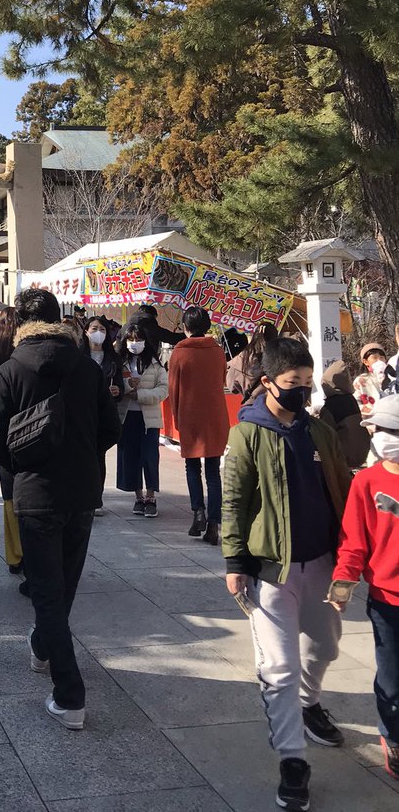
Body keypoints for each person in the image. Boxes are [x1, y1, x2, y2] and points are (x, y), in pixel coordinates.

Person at [222, 336, 352, 812]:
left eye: (307, 383)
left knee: (324, 646)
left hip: (322, 561)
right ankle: (292, 763)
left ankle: (308, 701)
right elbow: (234, 502)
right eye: (293, 384)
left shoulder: (318, 432)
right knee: (279, 667)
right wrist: (234, 561)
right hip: (270, 570)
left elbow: (342, 484)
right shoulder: (247, 434)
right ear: (267, 384)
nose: (302, 392)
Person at [0, 289, 120, 730]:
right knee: (64, 585)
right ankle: (44, 645)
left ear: (20, 323)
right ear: (59, 320)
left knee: (46, 590)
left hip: (35, 493)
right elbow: (110, 428)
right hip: (82, 492)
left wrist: (21, 465)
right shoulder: (87, 367)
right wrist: (81, 455)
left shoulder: (8, 370)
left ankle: (70, 694)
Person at [330, 394, 399, 779]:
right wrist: (343, 582)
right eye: (381, 430)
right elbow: (354, 539)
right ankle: (393, 737)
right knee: (392, 677)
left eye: (392, 430)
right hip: (387, 600)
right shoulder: (367, 482)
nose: (384, 437)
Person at [167, 307, 229, 545]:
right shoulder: (218, 351)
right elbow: (222, 379)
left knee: (192, 467)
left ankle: (198, 513)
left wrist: (177, 416)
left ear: (186, 327)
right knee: (213, 473)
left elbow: (174, 389)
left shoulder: (179, 353)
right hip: (215, 415)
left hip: (190, 414)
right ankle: (214, 524)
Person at [115, 322, 168, 518]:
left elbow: (164, 389)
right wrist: (128, 386)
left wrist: (142, 394)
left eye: (138, 339)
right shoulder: (120, 362)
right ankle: (138, 496)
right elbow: (115, 385)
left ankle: (151, 496)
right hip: (127, 416)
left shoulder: (155, 363)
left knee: (150, 457)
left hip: (149, 418)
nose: (135, 343)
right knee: (131, 456)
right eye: (131, 339)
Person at [0, 309, 25, 578]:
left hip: (6, 438)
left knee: (10, 499)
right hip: (33, 433)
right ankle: (33, 551)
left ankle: (15, 555)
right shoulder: (26, 359)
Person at [86, 316, 122, 516]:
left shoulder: (113, 357)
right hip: (83, 411)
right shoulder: (78, 355)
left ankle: (96, 498)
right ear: (86, 331)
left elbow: (120, 387)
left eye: (102, 328)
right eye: (94, 328)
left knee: (99, 455)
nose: (98, 332)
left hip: (103, 412)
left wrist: (117, 391)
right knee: (84, 454)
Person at [318, 360, 370, 470]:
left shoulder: (331, 405)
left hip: (342, 457)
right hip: (361, 453)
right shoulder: (351, 400)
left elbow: (324, 432)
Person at [226, 323, 279, 397]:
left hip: (251, 405)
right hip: (275, 405)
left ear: (254, 336)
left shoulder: (240, 360)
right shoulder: (281, 359)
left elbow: (232, 388)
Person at [355, 342, 389, 416]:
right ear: (365, 362)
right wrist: (368, 411)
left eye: (381, 357)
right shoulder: (361, 380)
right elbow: (355, 402)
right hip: (371, 420)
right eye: (374, 358)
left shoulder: (392, 377)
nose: (379, 361)